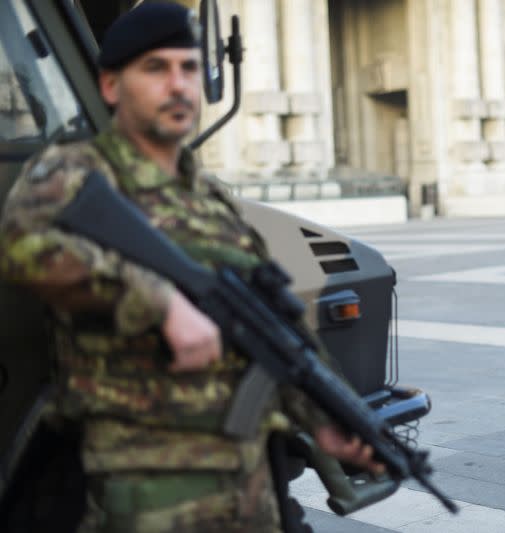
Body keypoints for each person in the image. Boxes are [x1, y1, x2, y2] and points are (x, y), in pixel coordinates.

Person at [0, 3, 381, 531]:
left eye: (188, 68)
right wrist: (158, 302)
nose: (178, 85)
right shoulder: (70, 172)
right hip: (148, 488)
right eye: (156, 68)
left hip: (247, 488)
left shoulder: (211, 200)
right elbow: (25, 248)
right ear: (110, 87)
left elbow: (274, 333)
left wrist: (325, 419)